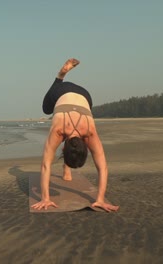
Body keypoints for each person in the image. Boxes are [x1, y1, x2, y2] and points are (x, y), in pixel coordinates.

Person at [31, 58, 119, 212]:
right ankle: (60, 77)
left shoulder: (86, 133)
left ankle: (61, 76)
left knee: (53, 113)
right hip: (70, 92)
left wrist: (46, 198)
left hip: (85, 97)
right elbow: (103, 168)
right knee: (46, 109)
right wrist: (100, 199)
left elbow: (46, 164)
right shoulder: (62, 132)